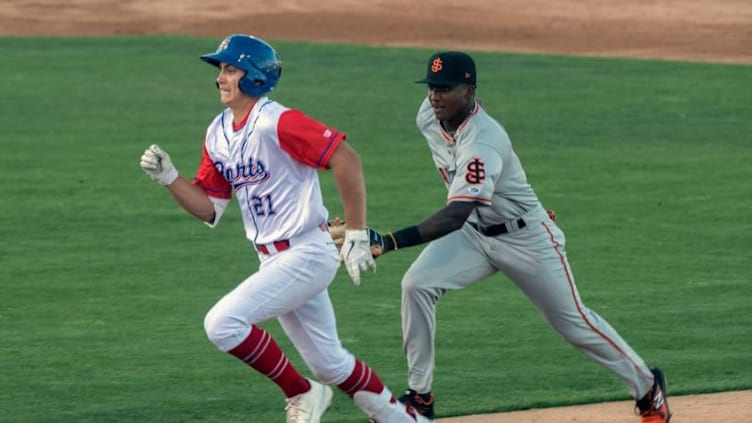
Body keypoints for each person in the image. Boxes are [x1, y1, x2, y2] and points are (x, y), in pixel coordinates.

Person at [363, 51, 672, 423]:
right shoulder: (428, 116)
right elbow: (464, 213)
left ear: (470, 90)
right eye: (431, 87)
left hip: (525, 238)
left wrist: (389, 240)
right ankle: (420, 397)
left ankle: (647, 389)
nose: (435, 96)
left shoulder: (484, 141)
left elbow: (455, 213)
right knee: (416, 285)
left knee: (573, 324)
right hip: (475, 233)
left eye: (445, 89)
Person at [139, 34, 431, 423]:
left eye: (230, 69)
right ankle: (403, 420)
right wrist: (170, 178)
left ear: (255, 77)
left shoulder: (277, 122)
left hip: (307, 252)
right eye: (220, 70)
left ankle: (302, 392)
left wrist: (357, 230)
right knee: (330, 363)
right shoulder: (218, 132)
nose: (220, 78)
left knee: (223, 323)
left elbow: (347, 158)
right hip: (273, 262)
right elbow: (210, 209)